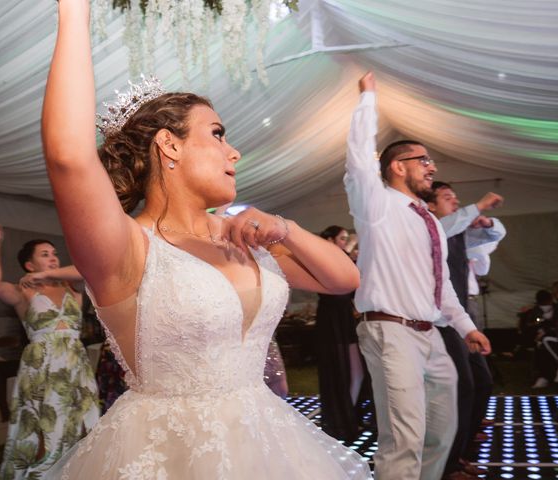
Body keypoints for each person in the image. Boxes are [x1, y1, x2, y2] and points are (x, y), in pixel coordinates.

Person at [41, 2, 371, 479]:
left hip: (267, 441)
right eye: (217, 134)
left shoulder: (246, 237)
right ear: (169, 144)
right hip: (164, 452)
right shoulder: (126, 245)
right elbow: (69, 157)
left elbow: (345, 279)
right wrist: (75, 13)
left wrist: (285, 229)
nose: (233, 151)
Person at [344, 71, 491, 480]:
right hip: (390, 332)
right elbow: (358, 159)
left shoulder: (427, 218)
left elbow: (440, 286)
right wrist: (368, 100)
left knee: (441, 432)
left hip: (431, 335)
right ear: (397, 167)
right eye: (424, 161)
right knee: (403, 438)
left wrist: (465, 328)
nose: (433, 167)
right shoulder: (377, 205)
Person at [0, 217, 99, 479]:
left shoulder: (74, 287)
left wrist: (47, 274)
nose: (53, 258)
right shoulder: (24, 293)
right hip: (41, 365)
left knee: (82, 420)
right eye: (45, 255)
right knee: (43, 425)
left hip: (74, 364)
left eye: (55, 254)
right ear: (28, 264)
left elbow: (86, 269)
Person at [427, 181, 506, 479]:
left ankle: (461, 448)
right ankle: (449, 463)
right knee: (462, 388)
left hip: (461, 320)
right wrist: (480, 205)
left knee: (481, 383)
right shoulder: (434, 229)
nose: (455, 202)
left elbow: (494, 237)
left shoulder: (458, 232)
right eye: (448, 198)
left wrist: (487, 221)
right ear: (431, 206)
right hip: (442, 322)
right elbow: (444, 225)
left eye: (456, 197)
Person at [315, 225, 364, 442]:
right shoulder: (323, 257)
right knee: (340, 369)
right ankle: (342, 419)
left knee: (357, 371)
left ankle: (348, 414)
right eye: (342, 238)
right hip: (332, 318)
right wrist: (350, 248)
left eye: (347, 239)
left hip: (345, 316)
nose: (346, 242)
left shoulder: (343, 257)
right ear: (330, 240)